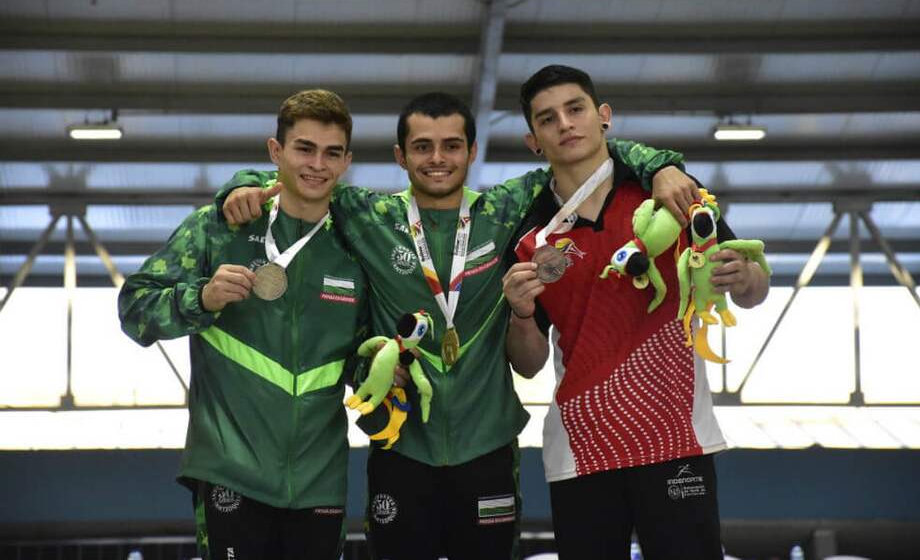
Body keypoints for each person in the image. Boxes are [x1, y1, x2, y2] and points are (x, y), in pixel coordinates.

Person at [217, 91, 696, 559]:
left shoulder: (502, 208)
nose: (437, 158)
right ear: (401, 157)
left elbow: (584, 155)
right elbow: (304, 176)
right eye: (422, 147)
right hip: (401, 450)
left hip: (486, 448)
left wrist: (663, 165)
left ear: (471, 151)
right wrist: (239, 184)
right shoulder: (369, 215)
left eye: (451, 145)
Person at [503, 65, 770, 560]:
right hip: (579, 450)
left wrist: (746, 277)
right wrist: (520, 316)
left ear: (603, 116)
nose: (565, 123)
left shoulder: (669, 193)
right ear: (533, 140)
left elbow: (753, 289)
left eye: (575, 108)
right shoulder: (529, 237)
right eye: (548, 118)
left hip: (676, 440)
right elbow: (528, 363)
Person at [118, 90, 368, 560]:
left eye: (332, 153)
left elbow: (357, 352)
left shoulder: (356, 243)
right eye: (304, 148)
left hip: (320, 478)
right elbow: (134, 310)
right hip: (230, 469)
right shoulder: (218, 228)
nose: (317, 165)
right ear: (276, 152)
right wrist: (200, 298)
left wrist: (375, 363)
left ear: (346, 161)